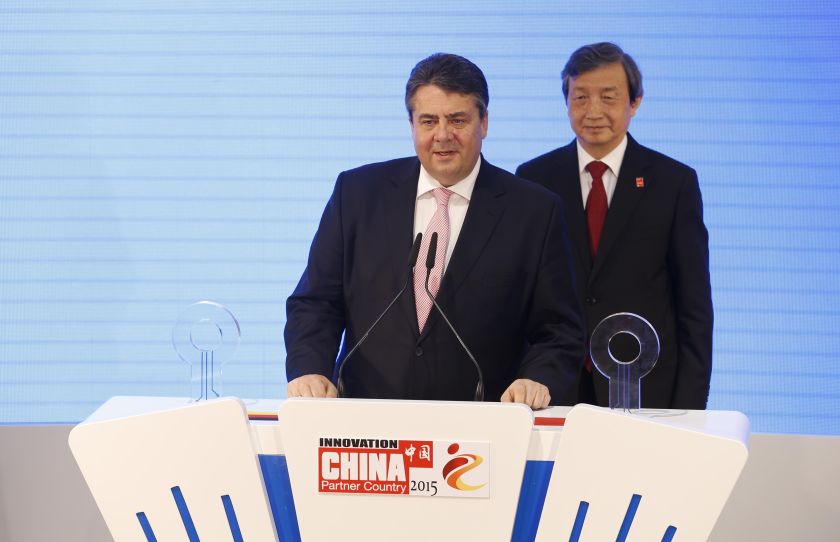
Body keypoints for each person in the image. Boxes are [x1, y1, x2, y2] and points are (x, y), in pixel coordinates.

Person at [284, 53, 583, 409]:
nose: (443, 136)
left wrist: (538, 378)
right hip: (367, 423)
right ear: (411, 124)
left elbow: (559, 331)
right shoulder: (359, 193)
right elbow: (316, 302)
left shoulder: (533, 210)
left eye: (458, 120)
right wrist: (311, 369)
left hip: (483, 426)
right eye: (428, 121)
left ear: (484, 122)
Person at [516, 42, 713, 409]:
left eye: (608, 97)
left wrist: (689, 407)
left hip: (647, 388)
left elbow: (694, 307)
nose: (593, 111)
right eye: (580, 98)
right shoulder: (533, 179)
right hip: (555, 387)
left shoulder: (673, 183)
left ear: (634, 102)